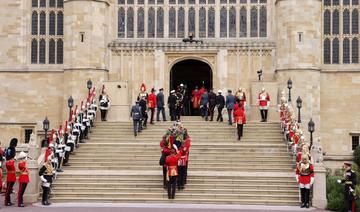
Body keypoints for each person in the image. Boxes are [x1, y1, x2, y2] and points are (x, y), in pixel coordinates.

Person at [5, 138, 17, 206]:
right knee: (8, 189)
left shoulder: (9, 148)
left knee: (9, 188)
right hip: (10, 172)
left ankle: (8, 201)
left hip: (11, 172)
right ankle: (7, 201)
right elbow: (10, 156)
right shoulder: (11, 149)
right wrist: (12, 159)